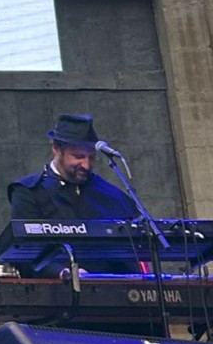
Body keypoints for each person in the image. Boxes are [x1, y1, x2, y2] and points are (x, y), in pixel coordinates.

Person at [7, 113, 141, 276]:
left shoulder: (113, 195)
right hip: (56, 293)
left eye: (91, 158)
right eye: (78, 156)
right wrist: (63, 272)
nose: (85, 164)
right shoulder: (28, 192)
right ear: (56, 149)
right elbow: (27, 252)